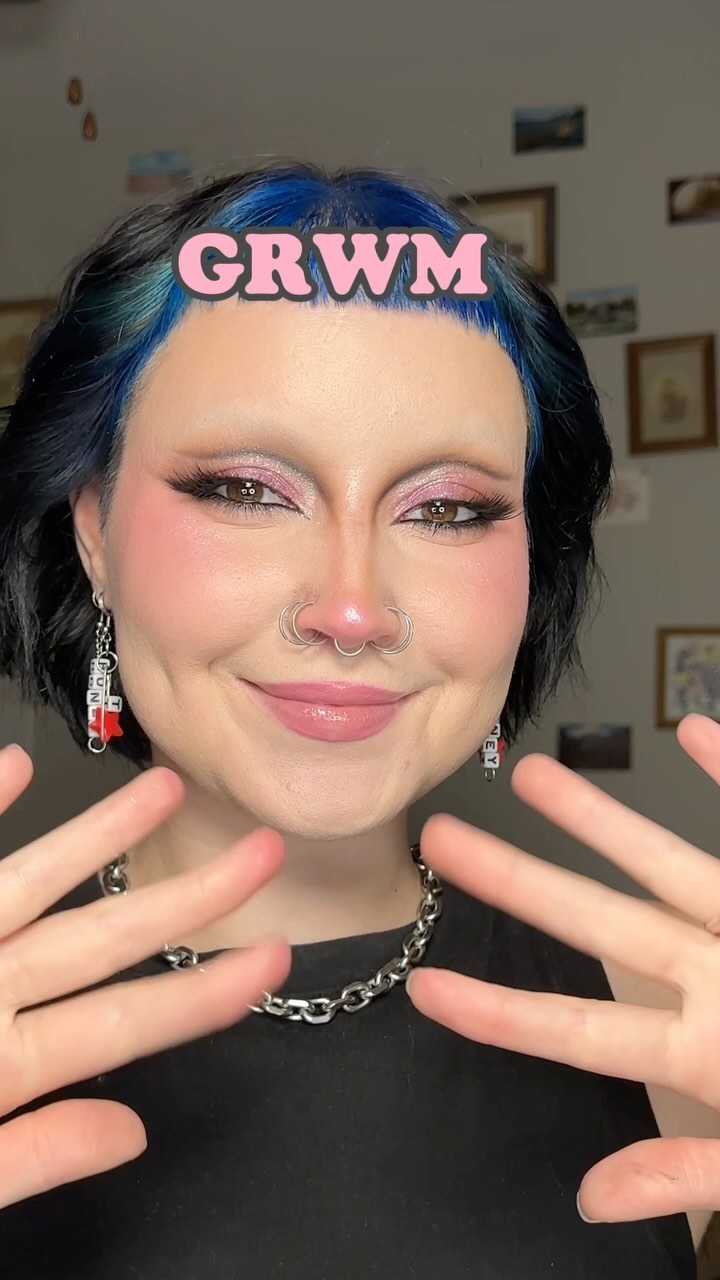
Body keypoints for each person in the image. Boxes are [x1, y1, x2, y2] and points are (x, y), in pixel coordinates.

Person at [0, 160, 707, 1279]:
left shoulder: (678, 1029)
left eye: (448, 509)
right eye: (245, 489)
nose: (350, 607)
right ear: (94, 532)